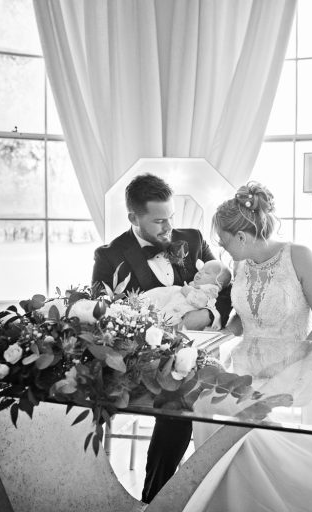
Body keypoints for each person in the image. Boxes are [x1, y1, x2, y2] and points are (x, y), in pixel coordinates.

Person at [186, 182, 312, 512]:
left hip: (296, 366)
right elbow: (244, 316)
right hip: (245, 368)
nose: (223, 250)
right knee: (208, 410)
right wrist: (223, 336)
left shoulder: (298, 257)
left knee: (253, 435)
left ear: (241, 237)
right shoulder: (241, 266)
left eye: (224, 242)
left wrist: (292, 361)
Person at [91, 173, 232, 503]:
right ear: (133, 218)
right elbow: (104, 314)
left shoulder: (193, 239)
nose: (169, 228)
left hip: (194, 357)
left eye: (171, 217)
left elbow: (226, 288)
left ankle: (154, 500)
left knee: (185, 400)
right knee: (176, 401)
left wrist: (210, 315)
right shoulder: (109, 256)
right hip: (139, 362)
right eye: (158, 222)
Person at [142, 260, 232, 329]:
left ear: (217, 285)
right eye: (201, 270)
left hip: (181, 318)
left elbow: (201, 302)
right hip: (172, 311)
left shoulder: (210, 291)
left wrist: (188, 293)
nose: (200, 272)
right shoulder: (197, 286)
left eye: (207, 273)